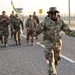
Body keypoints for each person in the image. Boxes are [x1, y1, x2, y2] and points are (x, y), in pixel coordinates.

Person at [35, 7, 75, 75]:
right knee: (51, 61)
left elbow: (68, 32)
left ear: (57, 13)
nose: (53, 14)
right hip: (49, 44)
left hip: (57, 45)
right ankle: (52, 72)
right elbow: (37, 31)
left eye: (55, 13)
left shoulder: (60, 22)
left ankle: (52, 71)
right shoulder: (45, 22)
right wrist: (33, 33)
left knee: (56, 60)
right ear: (49, 14)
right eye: (52, 13)